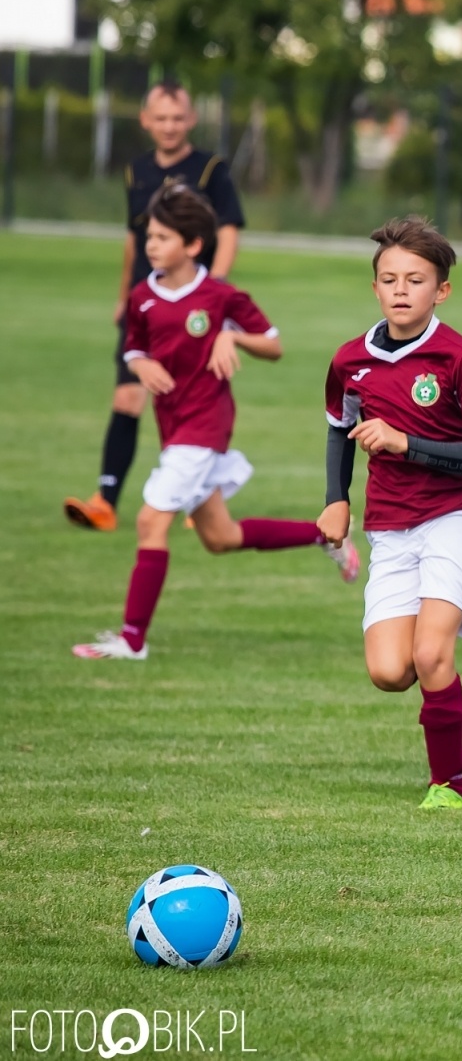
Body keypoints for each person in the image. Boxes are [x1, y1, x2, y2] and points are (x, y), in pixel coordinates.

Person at [73, 185, 358, 661]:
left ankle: (132, 641)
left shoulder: (220, 295)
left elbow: (274, 344)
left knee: (149, 521)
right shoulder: (143, 296)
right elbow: (135, 348)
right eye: (149, 236)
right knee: (220, 538)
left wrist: (233, 337)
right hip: (173, 428)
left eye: (163, 237)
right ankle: (324, 535)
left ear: (192, 245)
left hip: (205, 426)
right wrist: (140, 365)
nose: (151, 245)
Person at [318, 217, 462, 812]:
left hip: (460, 519)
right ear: (375, 287)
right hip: (391, 531)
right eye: (390, 279)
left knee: (431, 655)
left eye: (416, 280)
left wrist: (407, 444)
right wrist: (336, 497)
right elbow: (338, 432)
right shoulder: (351, 361)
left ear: (440, 291)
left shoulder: (458, 358)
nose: (402, 290)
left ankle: (448, 784)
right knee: (389, 671)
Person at [64, 82, 247, 533]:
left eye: (177, 118)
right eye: (160, 118)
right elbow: (134, 240)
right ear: (145, 120)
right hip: (146, 307)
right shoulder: (137, 171)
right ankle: (104, 501)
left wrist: (215, 292)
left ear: (191, 120)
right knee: (127, 396)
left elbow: (228, 231)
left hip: (194, 312)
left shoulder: (210, 170)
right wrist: (124, 295)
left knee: (196, 401)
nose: (169, 126)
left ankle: (204, 497)